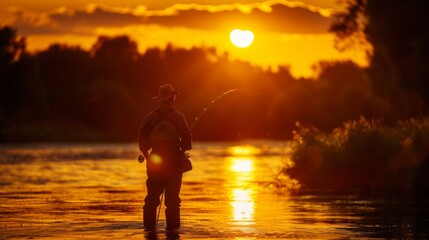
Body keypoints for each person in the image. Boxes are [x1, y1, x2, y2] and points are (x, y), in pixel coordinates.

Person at [138, 84, 192, 230]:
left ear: (161, 99)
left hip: (155, 161)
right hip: (174, 163)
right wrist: (181, 148)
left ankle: (148, 230)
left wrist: (148, 158)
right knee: (173, 201)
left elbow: (142, 143)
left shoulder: (149, 117)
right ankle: (173, 231)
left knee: (151, 200)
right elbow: (187, 143)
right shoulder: (178, 116)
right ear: (172, 98)